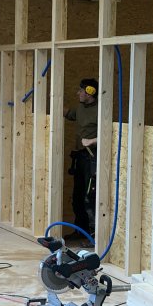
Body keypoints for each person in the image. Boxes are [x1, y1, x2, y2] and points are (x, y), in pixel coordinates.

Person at [64, 77, 99, 241]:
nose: (78, 93)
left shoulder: (99, 111)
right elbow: (68, 114)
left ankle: (93, 237)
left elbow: (109, 133)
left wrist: (91, 141)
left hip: (92, 158)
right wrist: (52, 99)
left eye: (81, 90)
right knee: (77, 196)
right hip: (80, 157)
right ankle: (80, 231)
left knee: (89, 197)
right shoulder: (80, 108)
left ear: (90, 92)